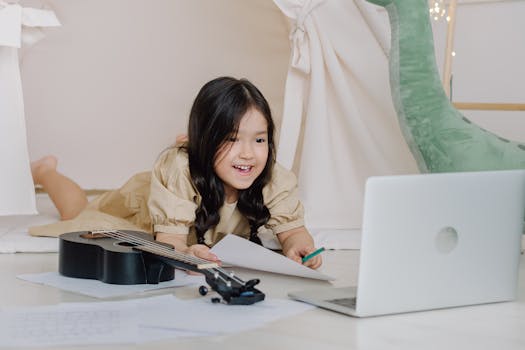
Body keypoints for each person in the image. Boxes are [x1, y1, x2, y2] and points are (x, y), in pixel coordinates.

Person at [30, 77, 322, 269]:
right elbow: (170, 241)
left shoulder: (274, 177)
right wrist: (183, 253)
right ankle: (45, 171)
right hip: (143, 206)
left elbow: (293, 230)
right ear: (206, 139)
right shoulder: (178, 170)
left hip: (193, 179)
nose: (248, 153)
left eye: (259, 140)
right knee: (76, 214)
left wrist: (298, 247)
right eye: (232, 139)